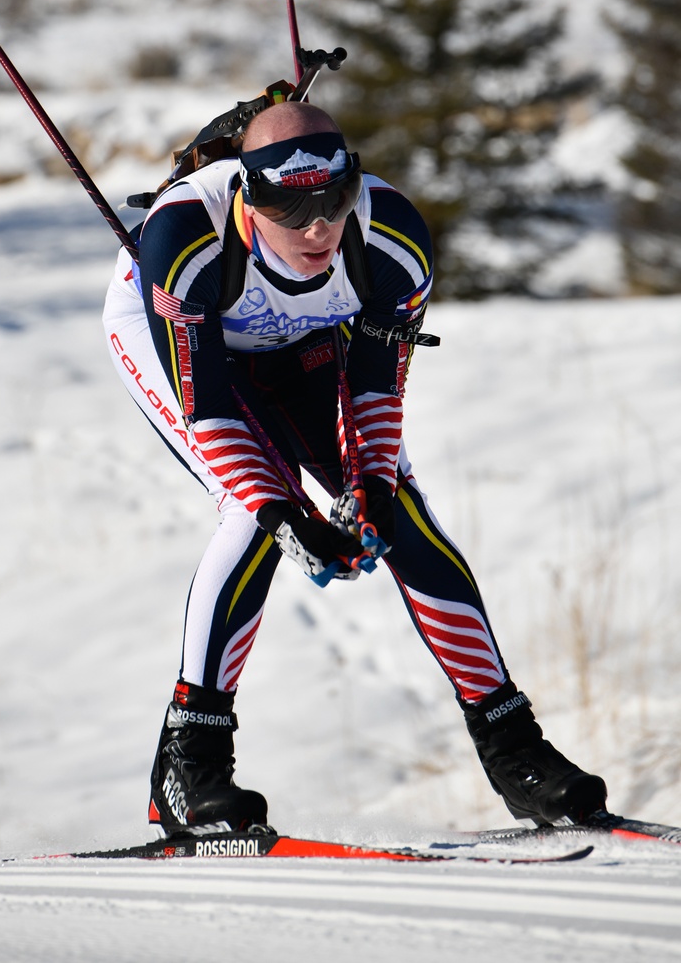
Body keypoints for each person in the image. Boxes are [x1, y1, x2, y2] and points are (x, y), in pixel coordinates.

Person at [102, 98, 607, 833]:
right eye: (290, 209)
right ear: (248, 196)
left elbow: (375, 386)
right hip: (187, 349)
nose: (317, 229)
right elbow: (210, 407)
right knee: (253, 515)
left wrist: (367, 490)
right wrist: (287, 518)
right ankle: (189, 766)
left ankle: (515, 750)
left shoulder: (392, 236)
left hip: (305, 344)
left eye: (333, 203)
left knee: (399, 510)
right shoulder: (185, 242)